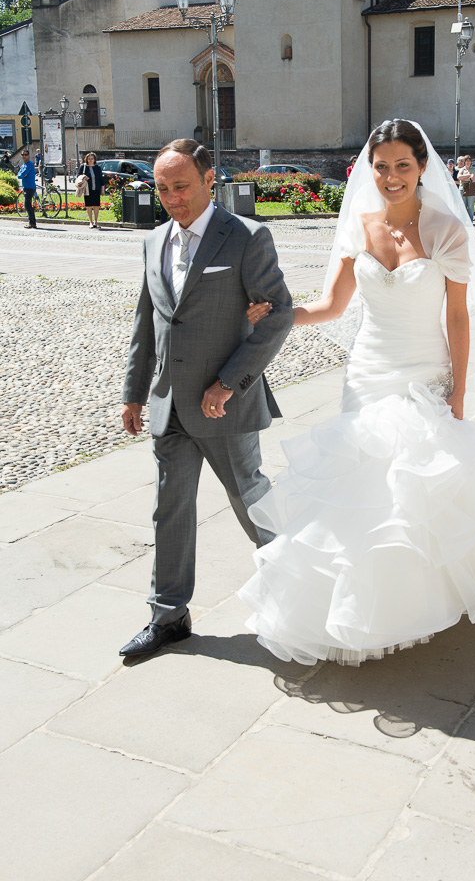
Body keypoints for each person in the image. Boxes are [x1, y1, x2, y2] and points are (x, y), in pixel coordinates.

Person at [239, 119, 475, 667]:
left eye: (402, 166)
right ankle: (368, 606)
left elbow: (457, 320)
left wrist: (459, 393)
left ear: (421, 167)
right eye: (382, 167)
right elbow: (332, 307)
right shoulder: (358, 228)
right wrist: (276, 315)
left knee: (418, 493)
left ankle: (429, 597)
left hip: (423, 373)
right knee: (362, 490)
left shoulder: (445, 231)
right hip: (366, 373)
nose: (391, 177)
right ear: (370, 171)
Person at [118, 139, 293, 658]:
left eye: (182, 186)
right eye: (164, 188)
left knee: (252, 504)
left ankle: (307, 592)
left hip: (226, 407)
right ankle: (168, 617)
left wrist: (228, 383)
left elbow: (278, 314)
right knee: (168, 510)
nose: (172, 198)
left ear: (209, 179)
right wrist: (134, 393)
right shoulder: (152, 241)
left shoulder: (246, 237)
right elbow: (146, 322)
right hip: (169, 405)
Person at [77, 152, 104, 229]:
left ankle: (96, 222)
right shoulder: (83, 167)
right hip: (87, 189)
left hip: (96, 188)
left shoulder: (97, 168)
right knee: (88, 205)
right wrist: (84, 178)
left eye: (92, 159)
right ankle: (91, 222)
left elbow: (101, 179)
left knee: (96, 205)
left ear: (94, 159)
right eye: (89, 159)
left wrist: (102, 189)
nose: (90, 160)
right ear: (86, 159)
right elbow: (78, 176)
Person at [17, 149, 37, 229]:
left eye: (25, 155)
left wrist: (21, 175)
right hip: (26, 187)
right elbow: (19, 175)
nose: (24, 156)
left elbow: (23, 174)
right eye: (22, 155)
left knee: (27, 205)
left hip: (30, 187)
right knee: (28, 205)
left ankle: (32, 222)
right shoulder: (23, 165)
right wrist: (21, 175)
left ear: (28, 155)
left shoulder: (29, 164)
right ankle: (32, 222)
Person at [457, 154, 475, 220]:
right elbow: (458, 177)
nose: (468, 162)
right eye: (466, 161)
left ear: (471, 161)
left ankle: (470, 220)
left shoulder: (474, 169)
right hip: (462, 188)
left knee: (470, 206)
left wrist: (464, 178)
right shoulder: (462, 169)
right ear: (464, 162)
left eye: (469, 161)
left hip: (470, 188)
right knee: (463, 206)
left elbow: (473, 177)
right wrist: (468, 176)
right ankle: (464, 220)